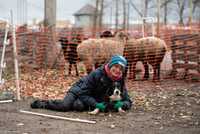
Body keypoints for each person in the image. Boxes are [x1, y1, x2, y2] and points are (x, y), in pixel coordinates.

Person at [31, 55, 132, 112]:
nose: (117, 70)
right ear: (110, 65)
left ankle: (78, 104)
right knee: (65, 106)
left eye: (121, 68)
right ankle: (42, 103)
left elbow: (128, 100)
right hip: (78, 90)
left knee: (78, 106)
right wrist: (96, 104)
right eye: (116, 66)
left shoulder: (119, 79)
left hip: (90, 96)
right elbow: (83, 93)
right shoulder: (97, 74)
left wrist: (123, 104)